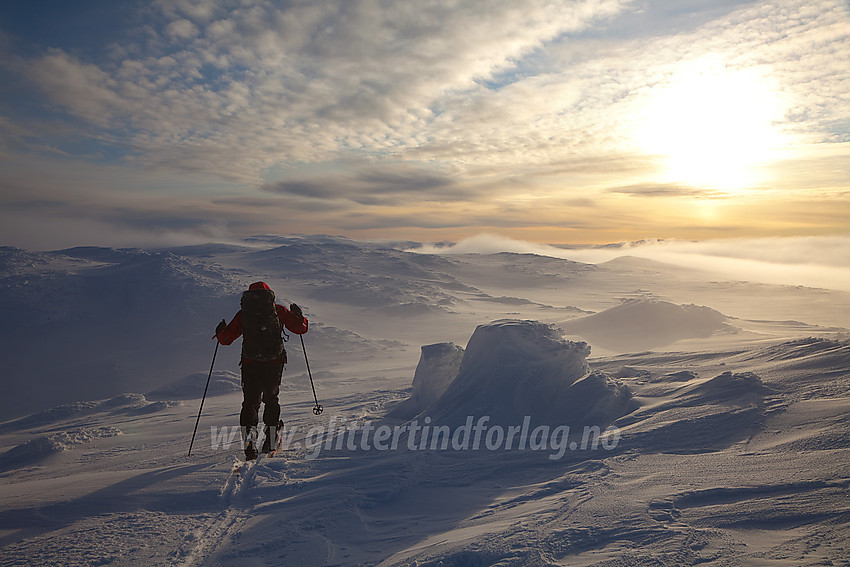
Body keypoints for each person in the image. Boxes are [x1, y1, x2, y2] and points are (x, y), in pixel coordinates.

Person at [215, 281, 308, 460]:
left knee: (250, 402)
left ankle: (250, 443)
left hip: (250, 364)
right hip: (273, 364)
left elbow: (225, 339)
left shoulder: (243, 314)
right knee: (271, 399)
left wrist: (220, 331)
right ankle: (272, 440)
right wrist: (299, 316)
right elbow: (300, 329)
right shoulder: (277, 310)